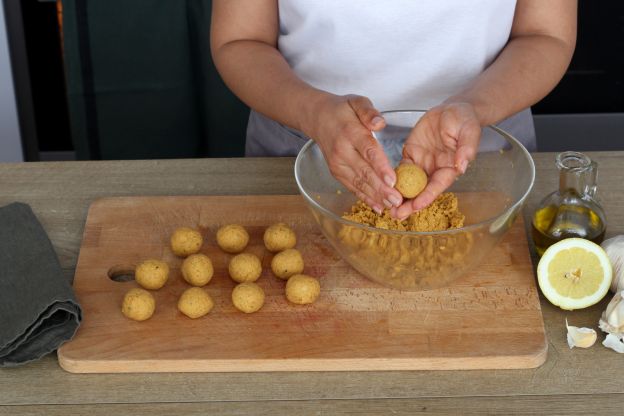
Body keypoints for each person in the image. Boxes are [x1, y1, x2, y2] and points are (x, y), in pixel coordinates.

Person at [211, 0, 577, 219]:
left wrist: (475, 107)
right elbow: (240, 39)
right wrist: (312, 111)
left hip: (481, 153)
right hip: (301, 147)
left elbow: (546, 35)